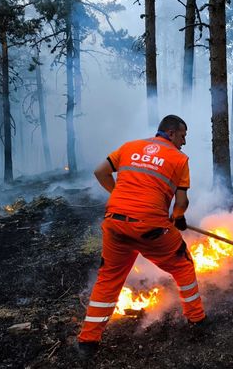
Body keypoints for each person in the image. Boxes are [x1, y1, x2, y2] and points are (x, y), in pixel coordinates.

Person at [76, 115, 206, 359]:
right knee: (183, 265)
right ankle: (197, 321)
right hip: (150, 226)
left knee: (108, 279)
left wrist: (121, 197)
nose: (184, 142)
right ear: (170, 132)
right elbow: (182, 201)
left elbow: (99, 171)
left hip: (115, 222)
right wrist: (178, 217)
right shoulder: (179, 159)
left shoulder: (129, 146)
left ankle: (88, 342)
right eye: (183, 135)